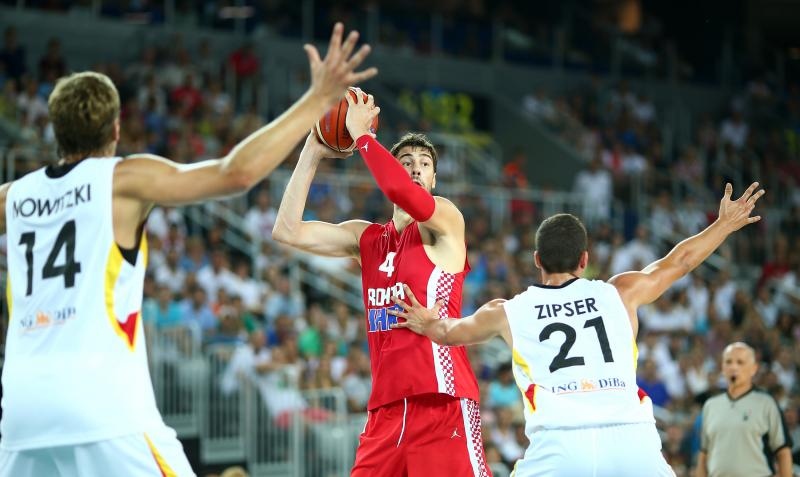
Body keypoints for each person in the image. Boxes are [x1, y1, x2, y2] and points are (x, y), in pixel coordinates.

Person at [0, 23, 376, 476]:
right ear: (117, 128)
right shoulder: (123, 179)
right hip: (100, 404)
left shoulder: (13, 196)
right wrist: (315, 102)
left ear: (54, 128)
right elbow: (234, 173)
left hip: (21, 414)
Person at [389, 182, 766, 476]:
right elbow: (679, 262)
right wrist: (724, 224)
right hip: (631, 439)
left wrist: (426, 321)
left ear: (536, 260)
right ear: (584, 260)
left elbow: (449, 332)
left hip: (559, 444)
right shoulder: (620, 292)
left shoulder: (507, 312)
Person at [272, 93, 491, 476]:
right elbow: (287, 230)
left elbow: (401, 193)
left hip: (441, 403)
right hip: (385, 412)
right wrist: (313, 149)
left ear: (435, 178)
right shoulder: (367, 239)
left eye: (424, 164)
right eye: (405, 163)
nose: (415, 169)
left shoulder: (446, 222)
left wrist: (362, 136)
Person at [696, 342, 793, 477]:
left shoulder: (766, 404)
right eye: (728, 362)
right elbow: (703, 454)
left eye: (740, 362)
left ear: (754, 368)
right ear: (722, 367)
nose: (733, 367)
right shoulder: (710, 406)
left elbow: (783, 451)